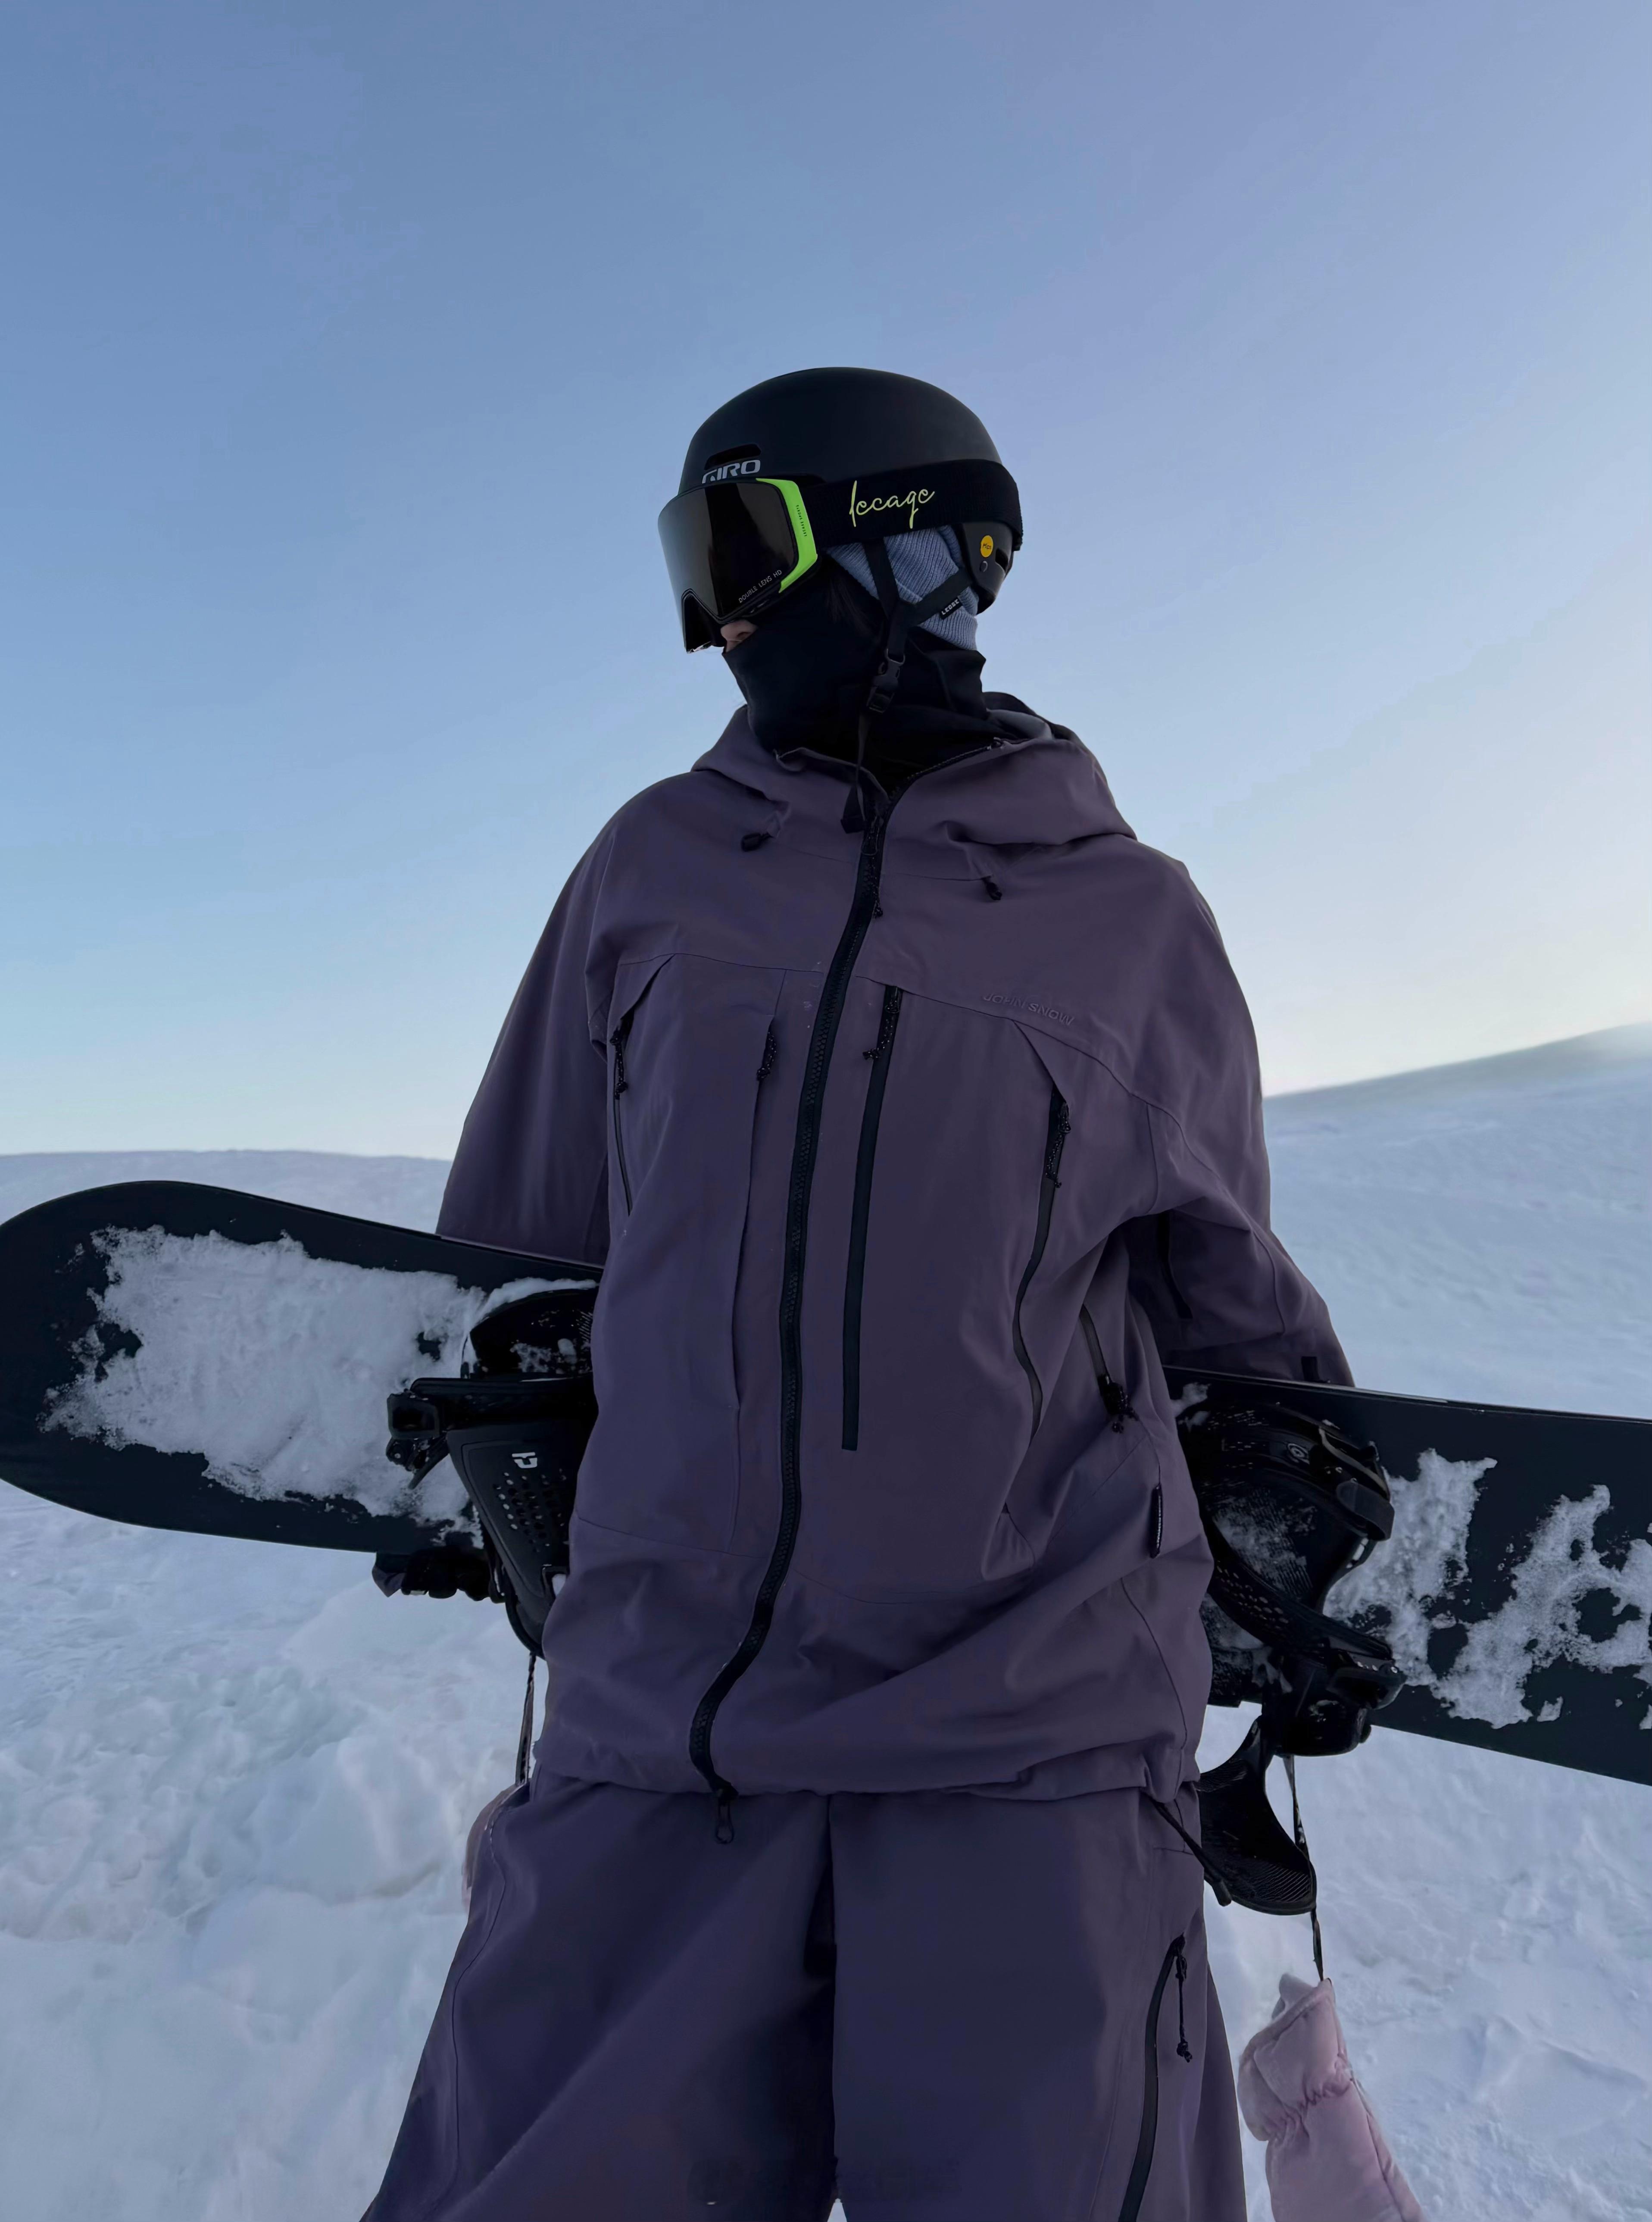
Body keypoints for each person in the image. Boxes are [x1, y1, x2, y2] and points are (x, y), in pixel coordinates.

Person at [365, 367, 1350, 2222]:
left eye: (742, 546)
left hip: (1030, 1754)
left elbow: (1226, 1294)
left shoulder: (1131, 920)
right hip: (662, 1732)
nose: (720, 615)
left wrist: (1289, 1510)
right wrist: (490, 1455)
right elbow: (517, 1256)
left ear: (918, 546)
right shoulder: (649, 866)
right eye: (694, 566)